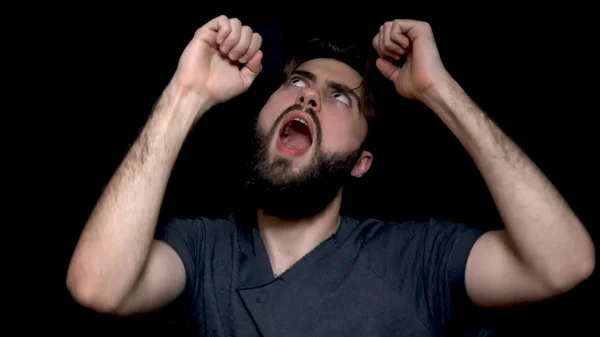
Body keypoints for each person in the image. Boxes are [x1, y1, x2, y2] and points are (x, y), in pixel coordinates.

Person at [66, 15, 595, 336]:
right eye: (298, 81)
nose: (309, 95)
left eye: (340, 96)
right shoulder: (203, 249)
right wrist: (186, 96)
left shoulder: (418, 257)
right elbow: (98, 288)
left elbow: (562, 265)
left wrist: (440, 91)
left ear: (362, 162)